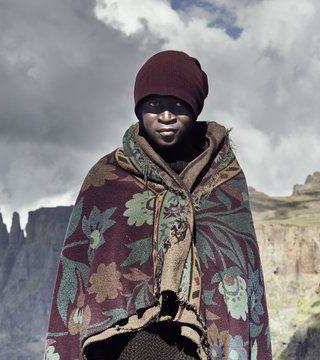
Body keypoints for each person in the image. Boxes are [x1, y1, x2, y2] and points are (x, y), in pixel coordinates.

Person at [45, 50, 271, 360]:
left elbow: (244, 275)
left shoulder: (224, 181)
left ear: (194, 108)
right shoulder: (106, 179)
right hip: (122, 350)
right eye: (153, 106)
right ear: (138, 110)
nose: (166, 116)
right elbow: (77, 280)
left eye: (178, 105)